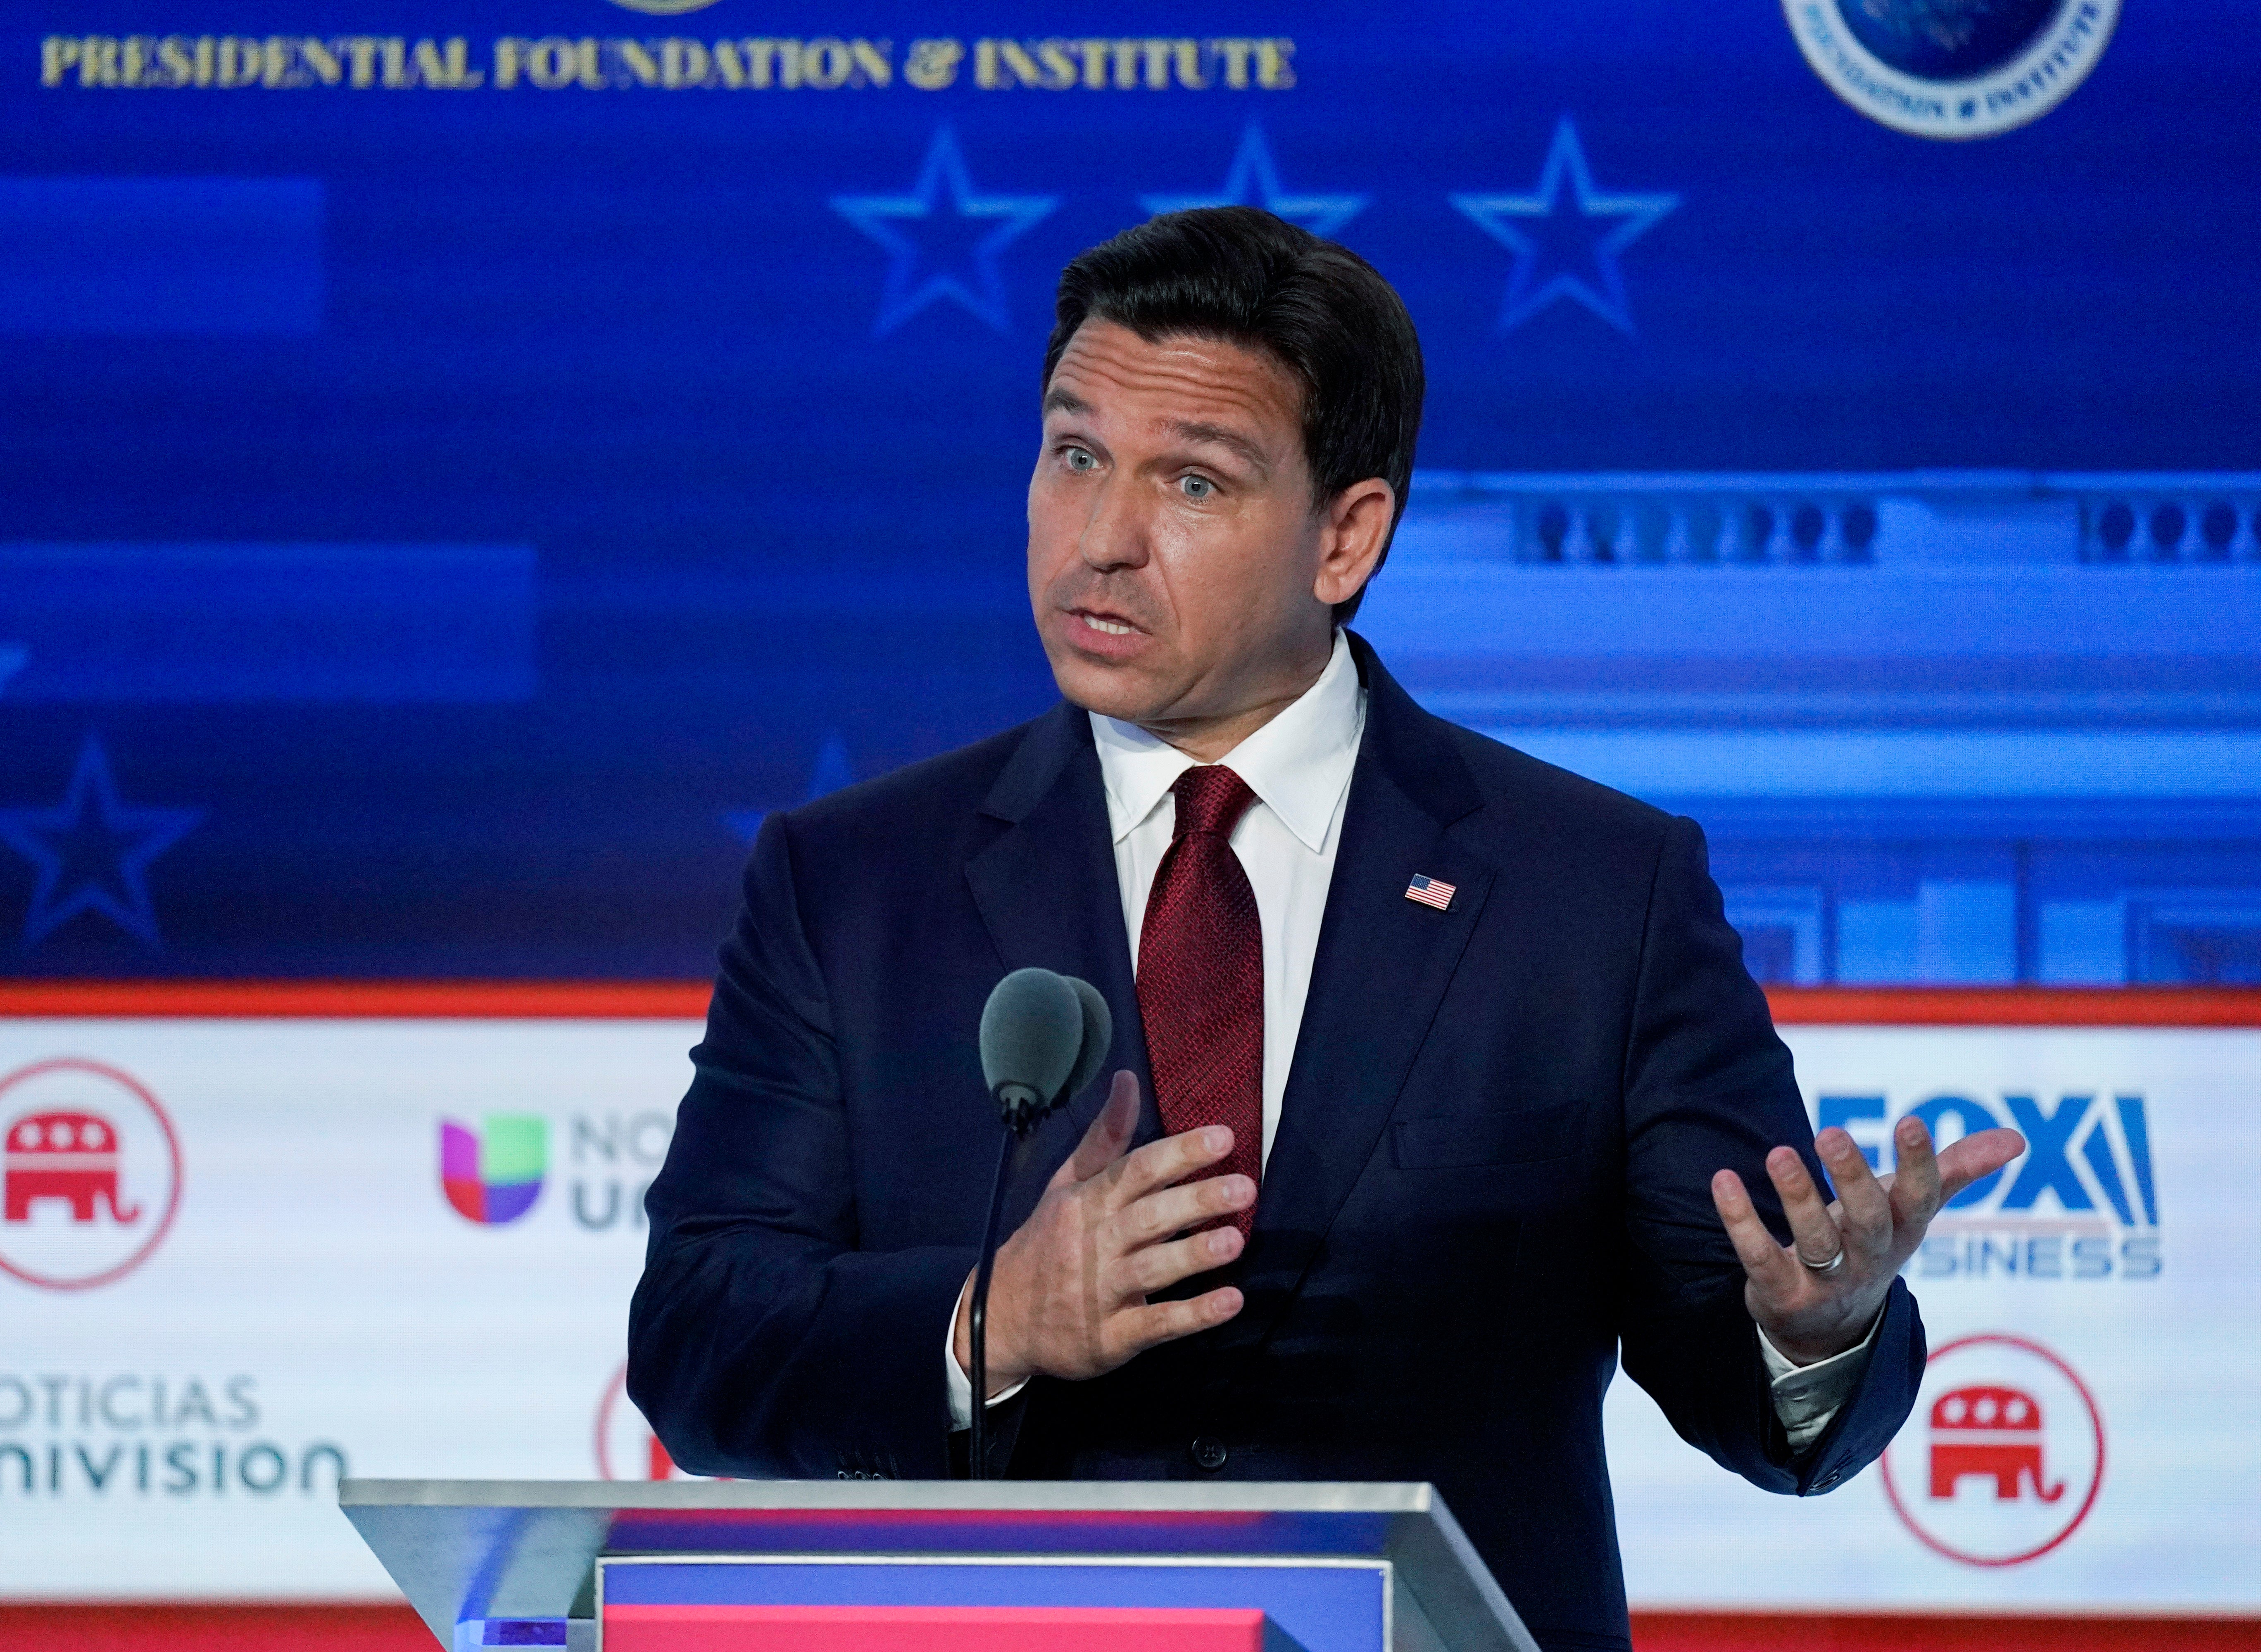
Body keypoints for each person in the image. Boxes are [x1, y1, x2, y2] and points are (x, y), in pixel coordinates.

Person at [630, 206, 2021, 1652]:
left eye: (1192, 483)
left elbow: (1740, 1367)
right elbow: (700, 1341)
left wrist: (1813, 1329)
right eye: (1074, 455)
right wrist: (993, 1319)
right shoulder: (853, 883)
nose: (1100, 541)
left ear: (1346, 537)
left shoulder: (1597, 892)